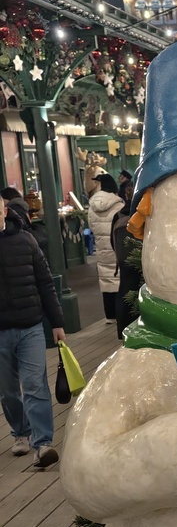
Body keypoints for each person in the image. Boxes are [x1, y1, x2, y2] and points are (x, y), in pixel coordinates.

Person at [0, 196, 65, 467]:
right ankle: (20, 432)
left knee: (35, 384)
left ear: (4, 211)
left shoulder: (26, 240)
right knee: (7, 391)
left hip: (31, 326)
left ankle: (43, 444)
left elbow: (45, 282)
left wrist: (57, 322)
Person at [87, 173, 124, 323]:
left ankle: (109, 315)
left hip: (101, 246)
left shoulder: (92, 206)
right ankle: (120, 312)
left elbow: (91, 226)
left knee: (105, 278)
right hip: (116, 244)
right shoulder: (118, 204)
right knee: (119, 278)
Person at [110, 182, 141, 339]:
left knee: (125, 289)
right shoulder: (145, 212)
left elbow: (112, 240)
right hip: (142, 259)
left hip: (123, 262)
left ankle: (123, 331)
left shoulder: (118, 215)